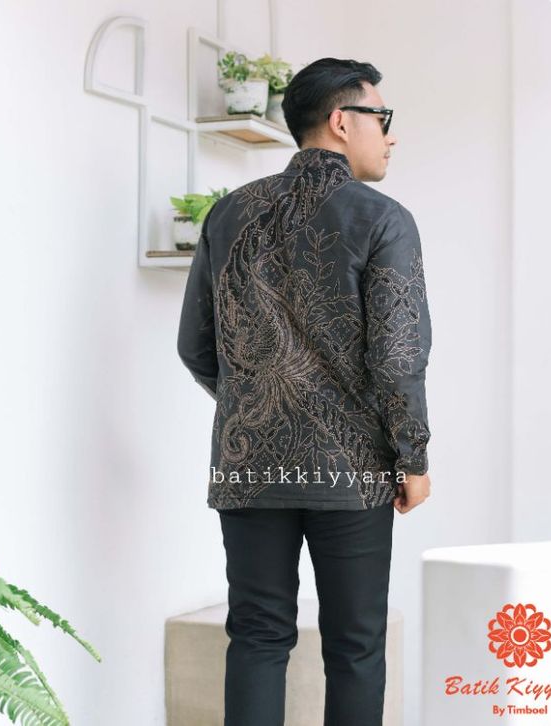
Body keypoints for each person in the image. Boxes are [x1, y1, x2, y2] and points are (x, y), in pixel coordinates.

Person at [177, 57, 432, 726]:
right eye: (383, 117)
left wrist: (258, 406)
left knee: (257, 637)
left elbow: (196, 347)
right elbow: (397, 358)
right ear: (343, 121)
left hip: (250, 465)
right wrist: (412, 456)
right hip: (351, 470)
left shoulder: (228, 214)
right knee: (355, 645)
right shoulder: (382, 219)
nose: (391, 135)